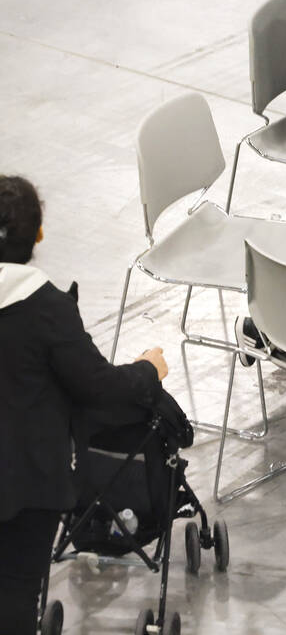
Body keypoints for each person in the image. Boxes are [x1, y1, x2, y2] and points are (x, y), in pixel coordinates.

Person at [0, 176, 168, 635]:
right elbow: (98, 388)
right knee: (14, 593)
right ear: (38, 235)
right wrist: (148, 370)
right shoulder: (46, 309)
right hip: (25, 481)